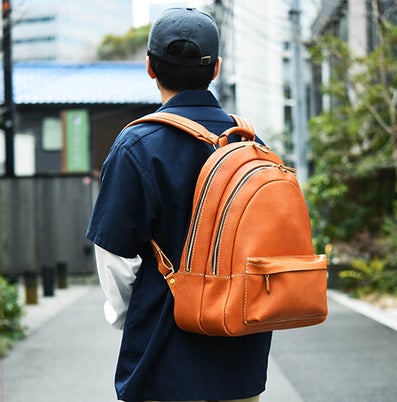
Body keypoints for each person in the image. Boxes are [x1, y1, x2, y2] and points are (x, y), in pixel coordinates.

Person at [86, 8, 272, 402]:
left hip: (163, 351)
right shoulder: (249, 143)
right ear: (216, 68)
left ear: (150, 67)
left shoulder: (136, 146)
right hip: (240, 354)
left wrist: (133, 316)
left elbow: (114, 257)